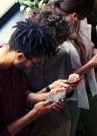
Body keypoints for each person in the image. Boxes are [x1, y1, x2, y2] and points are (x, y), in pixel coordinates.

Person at [0, 19, 71, 136]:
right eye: (36, 63)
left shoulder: (7, 53)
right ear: (20, 57)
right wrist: (33, 115)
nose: (35, 67)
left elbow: (20, 94)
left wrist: (48, 95)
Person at [47, 0, 97, 135]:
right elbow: (62, 80)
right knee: (71, 128)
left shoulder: (78, 23)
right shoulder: (56, 41)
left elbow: (87, 43)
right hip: (70, 97)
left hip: (88, 84)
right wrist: (91, 64)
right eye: (83, 16)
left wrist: (93, 51)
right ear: (75, 15)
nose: (84, 19)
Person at [25, 8, 75, 136]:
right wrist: (49, 92)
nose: (55, 49)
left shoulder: (63, 55)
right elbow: (23, 100)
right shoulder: (24, 62)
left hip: (60, 122)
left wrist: (62, 96)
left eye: (59, 44)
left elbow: (65, 93)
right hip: (33, 126)